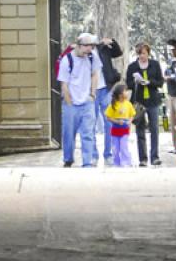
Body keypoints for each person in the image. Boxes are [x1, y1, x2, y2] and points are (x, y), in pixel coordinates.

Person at [57, 32, 101, 167]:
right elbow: (63, 83)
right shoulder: (67, 60)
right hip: (71, 102)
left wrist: (92, 94)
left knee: (88, 133)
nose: (90, 50)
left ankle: (87, 162)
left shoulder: (92, 57)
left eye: (92, 47)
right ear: (79, 45)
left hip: (87, 101)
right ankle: (68, 158)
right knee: (69, 134)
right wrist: (69, 100)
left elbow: (95, 74)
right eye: (87, 46)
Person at [126, 41, 164, 166]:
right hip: (139, 101)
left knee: (154, 129)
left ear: (148, 53)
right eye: (139, 54)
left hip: (153, 101)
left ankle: (154, 157)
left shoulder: (155, 64)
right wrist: (136, 82)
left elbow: (160, 82)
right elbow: (128, 84)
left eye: (143, 53)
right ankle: (143, 158)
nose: (141, 56)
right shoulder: (132, 67)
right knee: (140, 130)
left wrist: (149, 82)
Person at [92, 35, 123, 165]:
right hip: (91, 92)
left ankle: (108, 154)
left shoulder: (104, 50)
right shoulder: (84, 54)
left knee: (109, 123)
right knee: (91, 125)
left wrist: (112, 41)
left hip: (105, 89)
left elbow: (118, 52)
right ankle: (93, 155)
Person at [105, 83, 136, 166]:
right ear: (120, 94)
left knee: (123, 145)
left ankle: (126, 162)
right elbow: (108, 117)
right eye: (125, 91)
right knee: (115, 147)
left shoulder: (128, 104)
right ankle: (116, 162)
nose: (127, 92)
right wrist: (116, 121)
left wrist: (129, 121)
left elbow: (132, 114)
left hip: (125, 129)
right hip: (115, 129)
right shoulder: (113, 105)